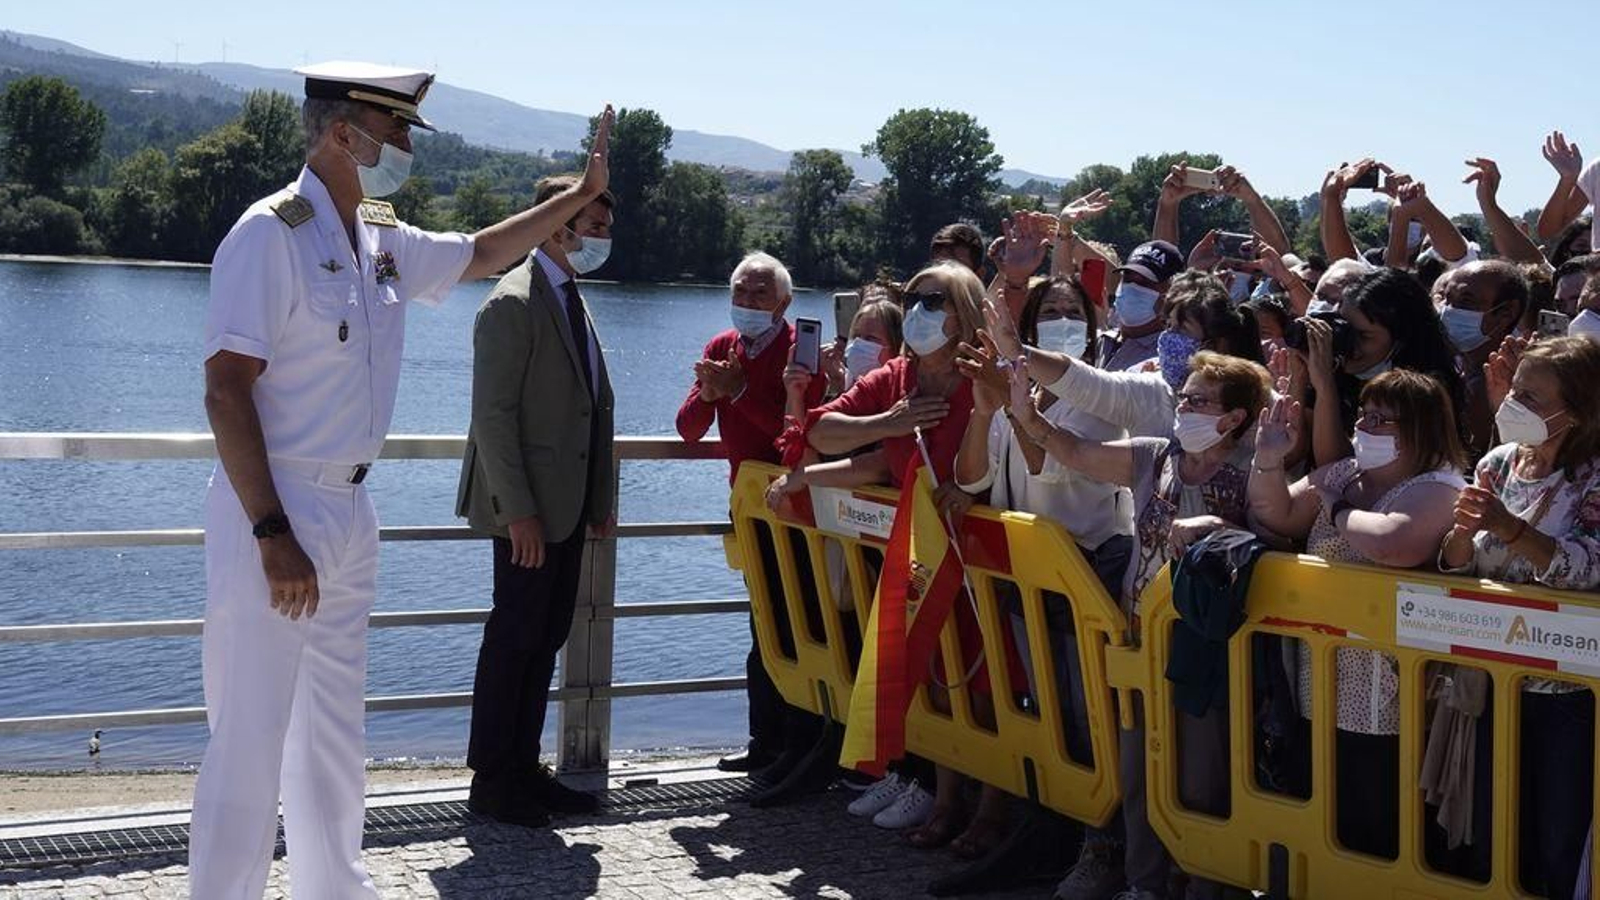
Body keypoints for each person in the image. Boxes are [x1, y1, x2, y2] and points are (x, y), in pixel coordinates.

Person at [192, 60, 613, 896]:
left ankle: (333, 888)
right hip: (277, 506)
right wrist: (271, 532)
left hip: (350, 508)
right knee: (250, 736)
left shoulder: (379, 235)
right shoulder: (269, 233)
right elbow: (226, 389)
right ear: (341, 133)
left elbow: (484, 253)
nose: (405, 148)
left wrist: (578, 195)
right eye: (394, 131)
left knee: (333, 731)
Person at [1007, 349, 1272, 900]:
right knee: (1138, 772)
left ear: (1233, 417)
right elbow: (1074, 451)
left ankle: (1206, 888)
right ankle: (1143, 884)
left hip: (1206, 651)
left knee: (1201, 780)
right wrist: (1026, 416)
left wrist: (1217, 527)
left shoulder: (1255, 470)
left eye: (1199, 400)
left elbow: (1275, 542)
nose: (1184, 407)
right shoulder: (1155, 456)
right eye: (1184, 396)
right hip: (1139, 640)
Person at [456, 171, 622, 828]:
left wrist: (599, 497)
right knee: (515, 637)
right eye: (595, 226)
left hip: (567, 508)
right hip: (527, 513)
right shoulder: (512, 302)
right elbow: (492, 418)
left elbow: (591, 406)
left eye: (606, 226)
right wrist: (518, 512)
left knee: (546, 636)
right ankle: (493, 780)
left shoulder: (568, 295)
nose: (603, 238)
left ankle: (524, 769)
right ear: (559, 225)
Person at [1248, 370, 1467, 860]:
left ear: (1420, 428)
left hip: (1391, 695)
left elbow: (1392, 543)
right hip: (1319, 680)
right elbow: (1275, 512)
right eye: (1365, 414)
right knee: (1323, 810)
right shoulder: (1344, 475)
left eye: (1383, 419)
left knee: (1379, 821)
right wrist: (1268, 458)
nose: (1366, 425)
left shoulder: (1440, 486)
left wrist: (1338, 510)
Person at [1440, 337, 1600, 900]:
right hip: (1490, 680)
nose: (1513, 403)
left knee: (1557, 836)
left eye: (1530, 396)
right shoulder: (1498, 463)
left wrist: (1510, 528)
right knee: (1496, 829)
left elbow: (1588, 567)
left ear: (1576, 412)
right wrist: (1460, 536)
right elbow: (1456, 564)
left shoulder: (1593, 478)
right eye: (1514, 389)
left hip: (1565, 693)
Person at [674, 252, 830, 794]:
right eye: (740, 291)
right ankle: (763, 742)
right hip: (748, 511)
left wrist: (739, 392)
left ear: (784, 302)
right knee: (762, 624)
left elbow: (797, 439)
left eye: (760, 293)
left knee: (799, 624)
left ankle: (800, 746)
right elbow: (688, 428)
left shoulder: (800, 355)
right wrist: (711, 393)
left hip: (797, 511)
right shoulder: (723, 347)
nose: (747, 301)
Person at [1434, 260, 1531, 460]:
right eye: (1447, 299)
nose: (1448, 310)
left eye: (1466, 301)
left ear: (1507, 312)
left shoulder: (1498, 384)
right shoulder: (1454, 367)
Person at [1097, 240, 1185, 372]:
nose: (1132, 288)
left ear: (1170, 293)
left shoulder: (1168, 358)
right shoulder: (1101, 342)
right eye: (1127, 279)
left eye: (1145, 283)